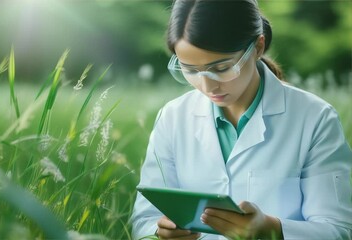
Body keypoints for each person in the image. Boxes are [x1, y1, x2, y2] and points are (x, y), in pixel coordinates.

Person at [131, 0, 352, 239]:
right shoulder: (173, 117)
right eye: (191, 70)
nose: (207, 86)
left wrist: (273, 230)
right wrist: (158, 231)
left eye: (222, 67)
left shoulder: (315, 118)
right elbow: (144, 218)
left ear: (258, 47)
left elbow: (338, 229)